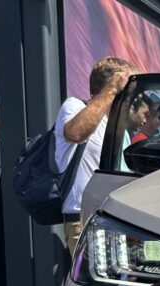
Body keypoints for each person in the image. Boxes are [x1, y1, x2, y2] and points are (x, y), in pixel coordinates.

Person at [55, 56, 136, 254]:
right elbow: (76, 133)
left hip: (118, 221)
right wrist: (111, 90)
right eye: (129, 85)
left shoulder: (120, 129)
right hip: (86, 221)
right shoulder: (74, 106)